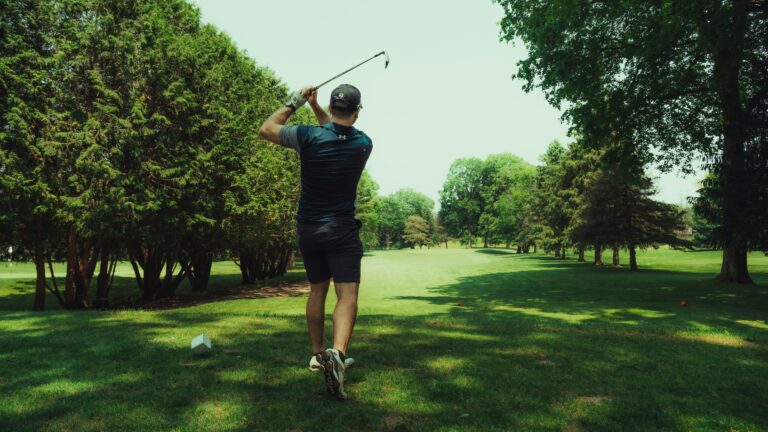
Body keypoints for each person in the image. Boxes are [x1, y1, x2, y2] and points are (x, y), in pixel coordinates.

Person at [259, 84, 373, 400]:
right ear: (358, 110)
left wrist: (298, 102)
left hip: (310, 229)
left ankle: (318, 353)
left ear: (333, 108)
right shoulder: (363, 144)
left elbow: (267, 128)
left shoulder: (308, 137)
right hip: (342, 230)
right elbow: (337, 131)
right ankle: (337, 355)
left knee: (318, 290)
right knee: (347, 295)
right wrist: (316, 107)